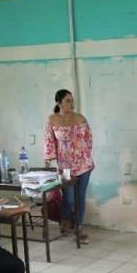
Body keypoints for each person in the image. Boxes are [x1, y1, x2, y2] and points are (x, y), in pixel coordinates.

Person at [44, 88, 94, 244]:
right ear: (58, 102)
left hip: (84, 165)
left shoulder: (80, 118)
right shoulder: (52, 120)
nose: (71, 104)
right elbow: (49, 142)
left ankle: (78, 228)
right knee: (69, 198)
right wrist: (48, 161)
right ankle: (65, 221)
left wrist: (83, 155)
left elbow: (89, 139)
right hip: (65, 167)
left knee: (80, 197)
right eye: (67, 101)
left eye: (72, 100)